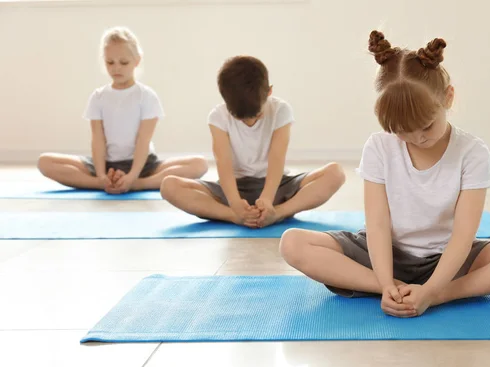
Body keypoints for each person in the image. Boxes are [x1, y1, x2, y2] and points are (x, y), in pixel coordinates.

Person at [279, 31, 490, 317]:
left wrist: (433, 291)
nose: (416, 139)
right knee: (292, 243)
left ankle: (441, 295)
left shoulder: (472, 152)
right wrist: (386, 282)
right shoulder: (379, 147)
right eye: (402, 132)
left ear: (448, 97)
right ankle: (396, 290)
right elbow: (377, 224)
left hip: (450, 258)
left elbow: (463, 236)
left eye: (425, 127)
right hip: (384, 255)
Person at [161, 56, 345, 227]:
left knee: (335, 173)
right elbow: (223, 162)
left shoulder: (281, 110)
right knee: (169, 186)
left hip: (277, 186)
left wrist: (267, 198)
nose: (249, 122)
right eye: (240, 119)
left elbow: (277, 158)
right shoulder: (218, 117)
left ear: (270, 92)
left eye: (256, 115)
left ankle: (278, 213)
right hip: (233, 187)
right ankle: (233, 216)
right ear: (225, 101)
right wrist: (234, 205)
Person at [38, 27, 207, 194]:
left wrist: (133, 176)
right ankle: (101, 184)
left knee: (199, 164)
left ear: (137, 60)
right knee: (44, 162)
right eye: (110, 62)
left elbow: (143, 140)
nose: (116, 68)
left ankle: (139, 184)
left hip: (144, 165)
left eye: (123, 62)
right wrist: (101, 175)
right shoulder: (98, 96)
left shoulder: (146, 96)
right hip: (105, 164)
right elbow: (97, 139)